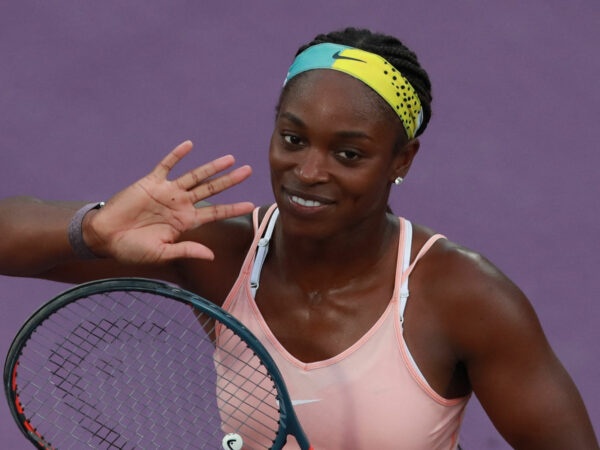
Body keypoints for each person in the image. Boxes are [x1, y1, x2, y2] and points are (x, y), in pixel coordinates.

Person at [0, 28, 597, 449]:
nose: (308, 171)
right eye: (292, 139)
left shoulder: (465, 297)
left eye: (348, 153)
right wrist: (95, 229)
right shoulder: (219, 254)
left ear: (402, 160)